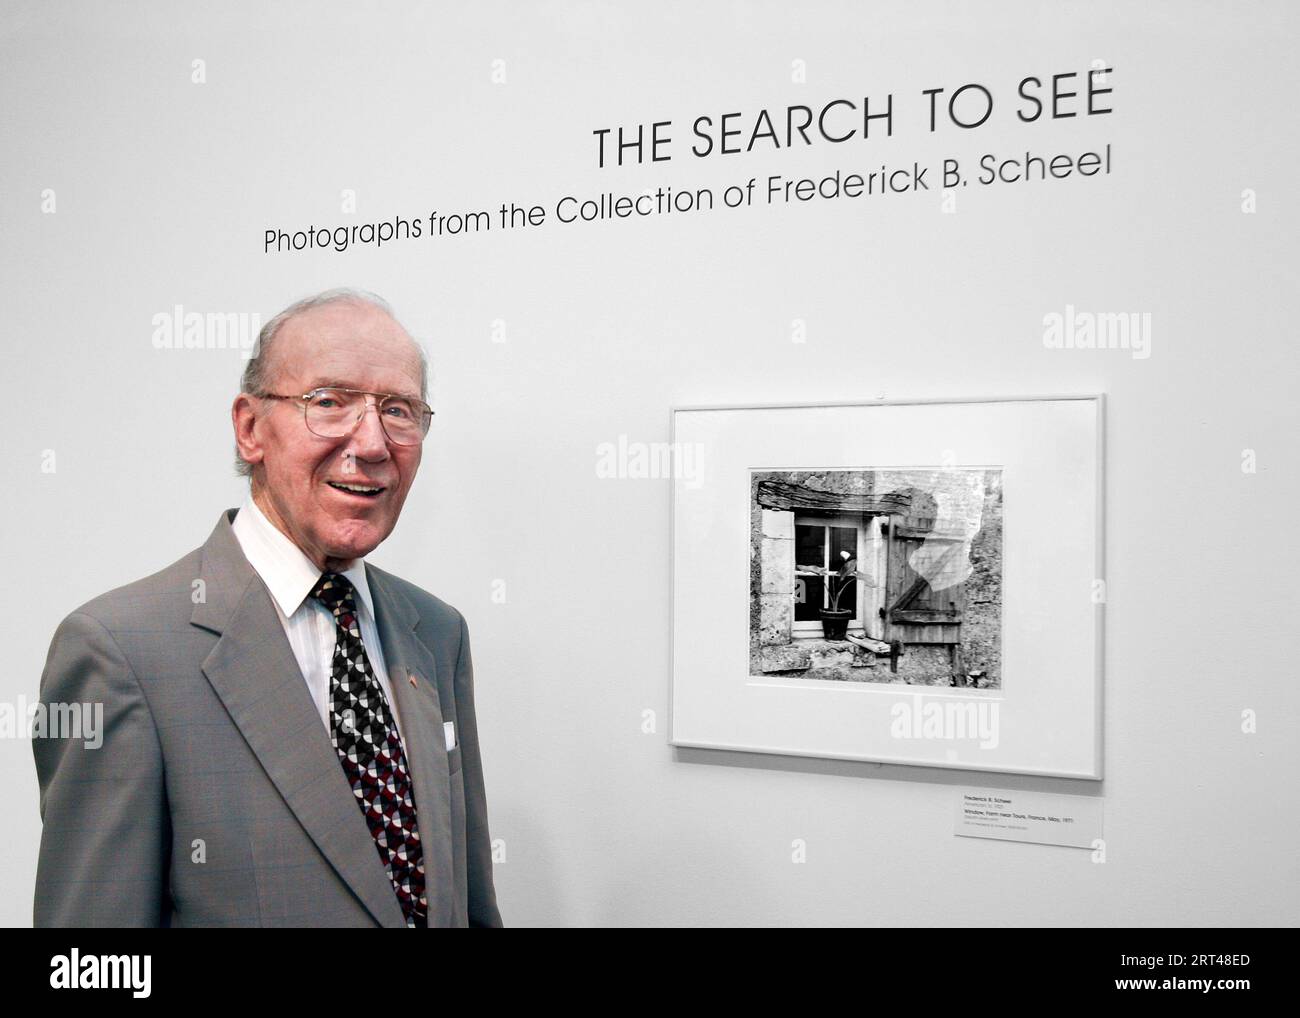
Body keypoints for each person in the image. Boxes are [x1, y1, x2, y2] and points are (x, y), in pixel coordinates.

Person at [32, 288, 503, 927]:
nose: (371, 443)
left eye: (398, 410)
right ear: (251, 429)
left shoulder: (437, 633)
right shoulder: (121, 652)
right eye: (329, 403)